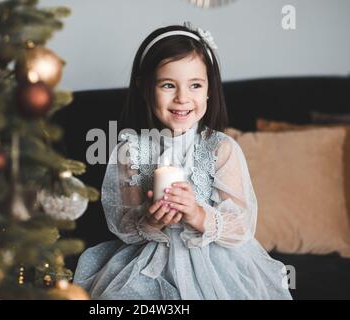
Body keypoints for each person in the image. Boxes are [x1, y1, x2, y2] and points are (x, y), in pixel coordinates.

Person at [73, 23, 292, 300]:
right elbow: (123, 225)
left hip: (216, 263)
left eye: (195, 85)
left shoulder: (221, 149)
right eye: (168, 85)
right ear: (145, 88)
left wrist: (198, 215)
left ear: (209, 89)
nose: (182, 98)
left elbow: (241, 227)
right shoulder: (130, 150)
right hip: (150, 260)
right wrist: (150, 220)